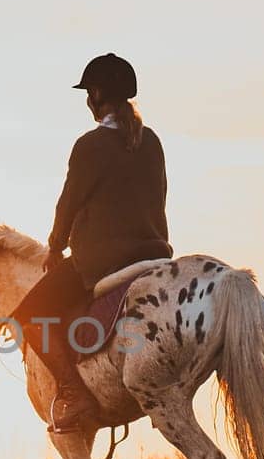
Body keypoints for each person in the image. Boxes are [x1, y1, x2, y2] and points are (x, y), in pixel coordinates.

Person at [12, 53, 173, 433]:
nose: (87, 100)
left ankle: (73, 392)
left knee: (29, 315)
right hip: (155, 255)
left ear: (97, 95)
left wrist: (55, 246)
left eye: (88, 93)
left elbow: (69, 203)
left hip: (105, 261)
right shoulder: (151, 141)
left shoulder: (89, 145)